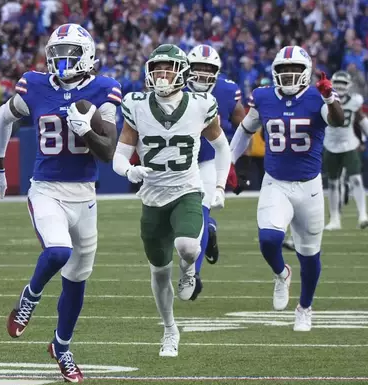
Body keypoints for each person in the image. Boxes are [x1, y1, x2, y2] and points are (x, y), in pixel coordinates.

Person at [0, 23, 120, 383]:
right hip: (45, 187)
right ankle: (29, 297)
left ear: (87, 56)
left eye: (70, 54)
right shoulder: (34, 83)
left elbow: (107, 151)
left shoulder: (104, 88)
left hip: (85, 194)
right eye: (56, 54)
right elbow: (3, 117)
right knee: (58, 252)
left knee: (77, 279)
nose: (61, 61)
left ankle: (61, 347)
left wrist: (86, 130)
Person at [113, 44, 231, 357]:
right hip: (152, 199)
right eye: (156, 69)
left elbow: (222, 147)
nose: (160, 75)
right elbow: (119, 156)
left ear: (181, 72)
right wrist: (129, 170)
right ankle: (169, 329)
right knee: (159, 272)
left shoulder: (200, 103)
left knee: (188, 247)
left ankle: (190, 270)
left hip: (186, 190)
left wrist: (218, 185)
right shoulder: (136, 104)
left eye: (167, 68)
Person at [230, 46, 344, 331]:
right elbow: (245, 130)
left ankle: (305, 307)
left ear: (305, 73)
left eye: (295, 70)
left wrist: (330, 97)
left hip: (310, 187)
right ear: (275, 72)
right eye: (284, 70)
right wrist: (227, 163)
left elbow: (338, 120)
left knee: (310, 254)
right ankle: (281, 273)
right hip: (276, 182)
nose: (289, 75)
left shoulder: (320, 95)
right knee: (269, 239)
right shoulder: (264, 96)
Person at [186, 44, 246, 277]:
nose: (202, 73)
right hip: (179, 161)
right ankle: (210, 228)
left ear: (217, 71)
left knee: (198, 216)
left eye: (207, 68)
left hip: (209, 160)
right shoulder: (174, 86)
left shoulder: (228, 90)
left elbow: (244, 128)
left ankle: (194, 274)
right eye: (197, 68)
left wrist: (234, 161)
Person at [323, 70, 368, 230]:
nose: (340, 87)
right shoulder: (325, 100)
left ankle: (363, 214)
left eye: (343, 84)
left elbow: (361, 119)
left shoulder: (355, 101)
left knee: (356, 179)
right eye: (338, 83)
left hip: (349, 144)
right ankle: (335, 219)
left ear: (348, 86)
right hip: (330, 144)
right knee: (333, 183)